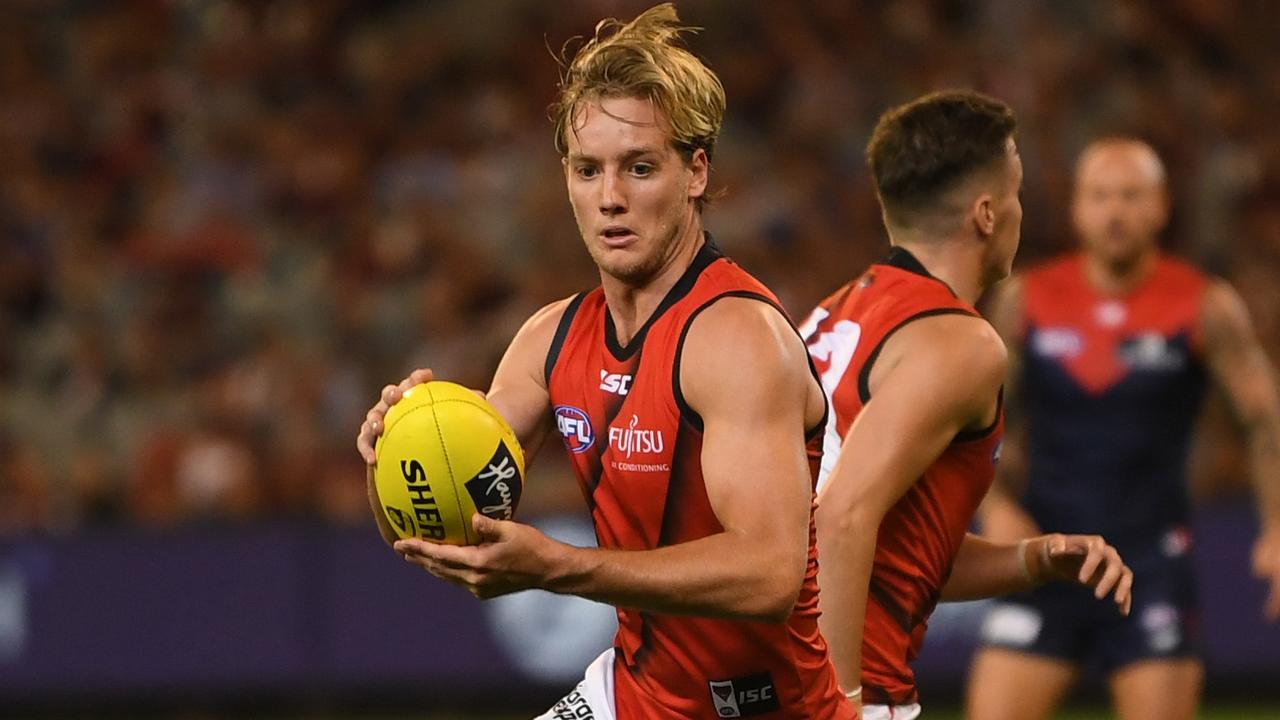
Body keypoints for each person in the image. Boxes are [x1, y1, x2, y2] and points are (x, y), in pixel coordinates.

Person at [355, 5, 854, 719]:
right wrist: (394, 458)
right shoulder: (550, 339)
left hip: (763, 708)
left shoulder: (736, 338)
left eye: (639, 168)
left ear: (695, 172)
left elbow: (769, 575)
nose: (611, 199)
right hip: (635, 693)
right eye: (589, 170)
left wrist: (558, 567)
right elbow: (445, 524)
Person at [802, 91, 1135, 720]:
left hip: (759, 671)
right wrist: (834, 704)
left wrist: (1036, 558)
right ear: (985, 214)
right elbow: (842, 515)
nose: (1020, 211)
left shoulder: (836, 311)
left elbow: (901, 554)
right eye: (1015, 192)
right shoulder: (961, 343)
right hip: (852, 683)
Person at [966, 137, 1280, 720]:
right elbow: (968, 416)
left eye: (1131, 196)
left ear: (1162, 206)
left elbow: (1266, 419)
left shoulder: (1204, 304)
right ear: (1076, 208)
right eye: (1100, 196)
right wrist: (995, 502)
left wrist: (1277, 528)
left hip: (1153, 562)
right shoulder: (1026, 300)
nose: (1115, 212)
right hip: (1043, 553)